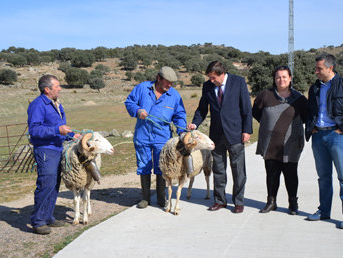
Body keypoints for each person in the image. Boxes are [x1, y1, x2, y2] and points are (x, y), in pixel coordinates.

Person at [305, 54, 343, 229]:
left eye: (319, 69)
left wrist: (341, 129)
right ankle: (324, 211)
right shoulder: (314, 88)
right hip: (318, 136)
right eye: (316, 68)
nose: (316, 72)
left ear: (330, 68)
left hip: (337, 136)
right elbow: (310, 111)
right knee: (323, 177)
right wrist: (311, 127)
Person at [188, 61, 253, 214]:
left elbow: (246, 108)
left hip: (235, 133)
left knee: (238, 170)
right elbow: (202, 108)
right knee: (218, 169)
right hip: (216, 135)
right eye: (209, 78)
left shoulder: (238, 82)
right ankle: (219, 201)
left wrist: (247, 130)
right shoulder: (207, 86)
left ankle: (238, 202)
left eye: (213, 77)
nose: (211, 81)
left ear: (222, 73)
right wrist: (195, 124)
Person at [125, 66, 187, 209]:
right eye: (167, 82)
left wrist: (182, 131)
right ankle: (145, 198)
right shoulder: (142, 88)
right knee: (144, 165)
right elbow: (129, 102)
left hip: (163, 137)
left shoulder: (175, 95)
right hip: (142, 135)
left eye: (172, 83)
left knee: (162, 166)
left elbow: (179, 115)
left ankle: (161, 197)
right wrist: (137, 110)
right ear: (158, 78)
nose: (169, 85)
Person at [27, 74, 80, 235]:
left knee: (55, 184)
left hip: (57, 148)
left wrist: (70, 135)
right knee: (46, 183)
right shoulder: (38, 105)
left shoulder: (56, 104)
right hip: (45, 150)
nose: (60, 88)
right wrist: (57, 130)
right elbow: (34, 130)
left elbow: (60, 126)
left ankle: (48, 216)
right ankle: (38, 221)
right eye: (57, 86)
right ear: (47, 89)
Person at [252, 65, 308, 215]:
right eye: (278, 77)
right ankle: (271, 202)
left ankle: (293, 203)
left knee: (291, 174)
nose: (281, 80)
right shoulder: (265, 95)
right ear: (274, 79)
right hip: (270, 143)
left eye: (284, 77)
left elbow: (306, 117)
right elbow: (256, 112)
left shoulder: (300, 99)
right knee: (271, 174)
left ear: (290, 78)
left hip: (291, 144)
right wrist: (269, 126)